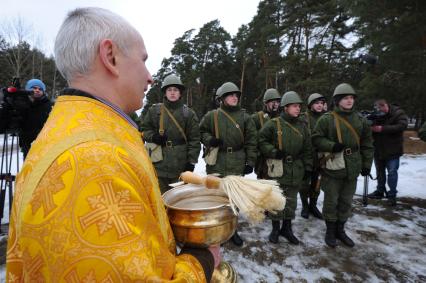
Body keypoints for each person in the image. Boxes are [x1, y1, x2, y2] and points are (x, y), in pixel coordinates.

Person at [6, 7, 218, 282]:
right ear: (110, 57)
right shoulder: (94, 161)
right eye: (143, 60)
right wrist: (201, 262)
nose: (150, 76)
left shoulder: (77, 129)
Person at [312, 83, 373, 248]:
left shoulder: (361, 120)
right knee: (331, 200)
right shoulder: (327, 119)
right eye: (345, 98)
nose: (349, 101)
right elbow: (316, 139)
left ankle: (341, 229)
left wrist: (367, 164)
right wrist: (331, 146)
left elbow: (367, 144)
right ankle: (330, 230)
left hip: (352, 166)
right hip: (333, 167)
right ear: (337, 100)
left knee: (346, 201)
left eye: (352, 98)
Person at [200, 82, 257, 246]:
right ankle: (219, 229)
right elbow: (201, 131)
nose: (234, 97)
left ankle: (233, 230)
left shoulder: (246, 117)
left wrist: (250, 161)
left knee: (234, 198)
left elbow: (252, 140)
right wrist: (210, 140)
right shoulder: (212, 116)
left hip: (237, 161)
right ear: (222, 98)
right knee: (218, 197)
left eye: (236, 95)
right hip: (217, 161)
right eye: (230, 95)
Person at [258, 91, 313, 244]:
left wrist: (308, 167)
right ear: (286, 107)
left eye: (299, 106)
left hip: (296, 168)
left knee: (291, 201)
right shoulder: (273, 124)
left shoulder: (303, 126)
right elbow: (261, 141)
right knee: (277, 200)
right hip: (278, 167)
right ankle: (275, 229)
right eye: (294, 106)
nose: (298, 109)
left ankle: (287, 229)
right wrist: (274, 152)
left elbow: (308, 148)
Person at [141, 74, 200, 193]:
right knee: (160, 199)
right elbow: (144, 130)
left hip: (180, 165)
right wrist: (153, 137)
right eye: (169, 90)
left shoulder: (188, 114)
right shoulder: (154, 111)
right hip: (158, 165)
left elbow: (194, 139)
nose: (172, 92)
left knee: (179, 200)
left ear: (180, 93)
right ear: (165, 92)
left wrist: (191, 162)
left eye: (175, 90)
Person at [367, 99, 408, 206]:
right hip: (379, 148)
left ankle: (392, 195)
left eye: (382, 108)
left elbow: (402, 126)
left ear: (386, 105)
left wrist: (382, 129)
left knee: (392, 172)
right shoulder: (376, 114)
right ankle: (380, 191)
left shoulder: (398, 113)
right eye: (378, 109)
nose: (381, 111)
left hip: (393, 149)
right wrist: (369, 122)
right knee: (380, 172)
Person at [299, 93, 326, 219]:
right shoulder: (303, 118)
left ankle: (313, 205)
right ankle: (305, 205)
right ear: (310, 105)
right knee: (304, 183)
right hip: (306, 156)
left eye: (321, 103)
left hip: (321, 157)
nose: (320, 105)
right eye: (316, 103)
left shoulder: (326, 118)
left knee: (317, 183)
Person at [251, 88, 281, 179]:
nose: (275, 104)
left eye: (277, 102)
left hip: (279, 159)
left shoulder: (282, 118)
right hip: (263, 161)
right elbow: (251, 138)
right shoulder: (257, 118)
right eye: (272, 102)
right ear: (265, 103)